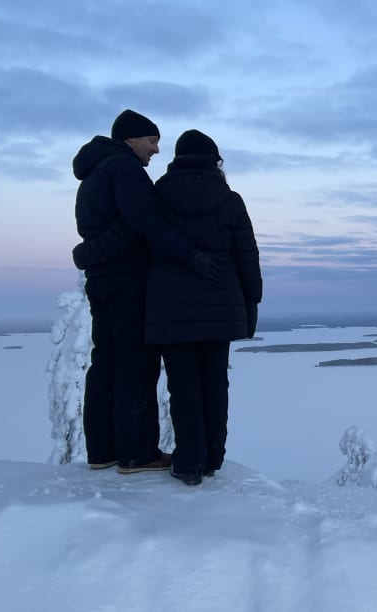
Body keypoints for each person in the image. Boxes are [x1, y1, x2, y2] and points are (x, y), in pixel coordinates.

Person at [71, 109, 222, 473]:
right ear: (131, 139)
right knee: (135, 364)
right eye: (152, 141)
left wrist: (90, 253)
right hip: (126, 279)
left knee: (105, 362)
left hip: (103, 279)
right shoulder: (124, 169)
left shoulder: (94, 172)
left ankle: (103, 451)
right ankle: (137, 452)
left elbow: (100, 226)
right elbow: (145, 222)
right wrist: (190, 254)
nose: (156, 150)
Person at [145, 129, 262, 486]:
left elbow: (144, 244)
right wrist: (251, 303)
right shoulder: (230, 200)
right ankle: (213, 457)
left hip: (170, 310)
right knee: (215, 381)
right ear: (215, 161)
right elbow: (247, 257)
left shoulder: (155, 196)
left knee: (182, 385)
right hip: (220, 308)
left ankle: (189, 460)